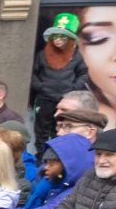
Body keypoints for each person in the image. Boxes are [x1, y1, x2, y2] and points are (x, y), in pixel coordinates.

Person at [30, 11, 94, 143]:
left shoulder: (75, 56)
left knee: (61, 130)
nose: (58, 40)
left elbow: (83, 73)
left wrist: (73, 88)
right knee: (41, 131)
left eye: (62, 37)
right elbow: (34, 74)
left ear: (69, 40)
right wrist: (40, 87)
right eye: (55, 37)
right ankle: (40, 157)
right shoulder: (42, 55)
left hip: (65, 101)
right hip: (45, 99)